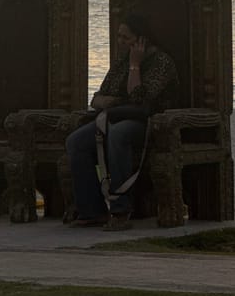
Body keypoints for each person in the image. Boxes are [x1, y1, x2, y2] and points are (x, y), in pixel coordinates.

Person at [66, 13, 178, 231]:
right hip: (117, 116)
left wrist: (135, 65)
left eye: (125, 38)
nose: (120, 42)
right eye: (118, 37)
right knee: (76, 141)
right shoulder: (120, 62)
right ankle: (92, 210)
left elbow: (139, 98)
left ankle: (120, 210)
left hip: (148, 123)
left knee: (119, 134)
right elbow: (97, 98)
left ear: (141, 40)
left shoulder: (161, 62)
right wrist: (113, 101)